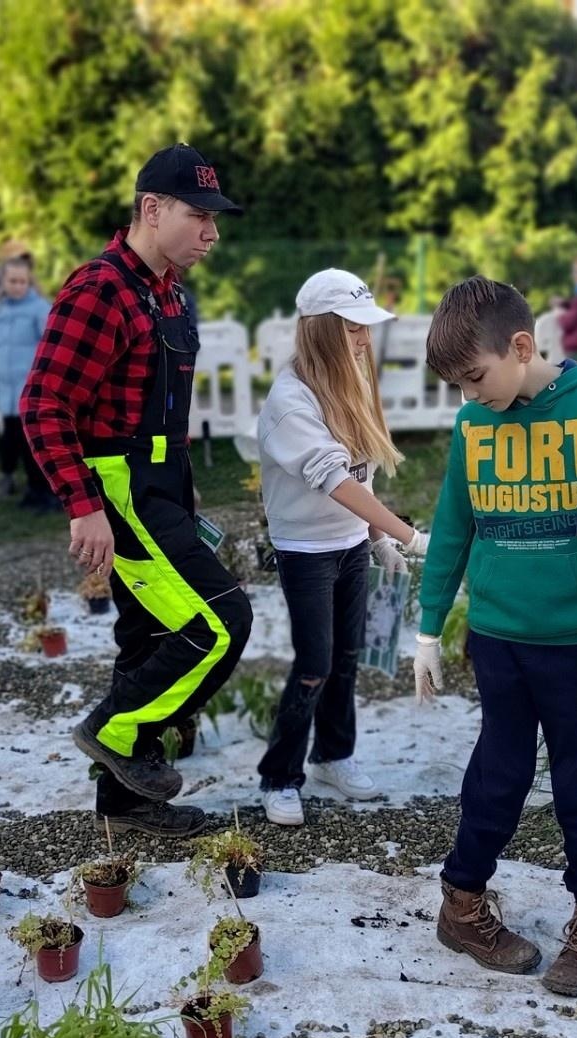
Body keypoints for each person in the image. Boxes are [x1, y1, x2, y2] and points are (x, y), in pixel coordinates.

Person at [20, 143, 253, 839]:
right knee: (219, 623)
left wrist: (182, 494)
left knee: (146, 636)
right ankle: (112, 730)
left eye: (216, 219)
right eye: (198, 215)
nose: (211, 232)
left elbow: (160, 412)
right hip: (120, 489)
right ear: (151, 210)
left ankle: (125, 805)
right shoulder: (100, 289)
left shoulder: (170, 292)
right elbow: (44, 404)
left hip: (162, 483)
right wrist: (84, 504)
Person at [414, 274, 577, 997]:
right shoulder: (474, 423)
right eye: (457, 386)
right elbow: (452, 526)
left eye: (475, 377)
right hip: (498, 641)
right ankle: (460, 903)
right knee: (494, 778)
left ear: (521, 345)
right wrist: (425, 628)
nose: (469, 396)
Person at [256, 268, 429, 827]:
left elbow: (364, 472)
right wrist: (410, 535)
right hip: (305, 550)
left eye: (366, 328)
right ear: (323, 329)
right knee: (314, 664)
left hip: (351, 545)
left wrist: (377, 538)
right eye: (354, 328)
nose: (364, 339)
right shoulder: (289, 402)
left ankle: (335, 755)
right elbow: (335, 478)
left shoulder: (350, 382)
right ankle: (279, 776)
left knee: (347, 659)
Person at [0, 256, 53, 507]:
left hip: (29, 390)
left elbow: (49, 347)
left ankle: (39, 487)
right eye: (12, 281)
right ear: (2, 281)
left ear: (29, 282)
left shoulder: (38, 309)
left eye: (23, 281)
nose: (18, 286)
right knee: (8, 438)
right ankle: (8, 477)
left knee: (29, 440)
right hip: (5, 390)